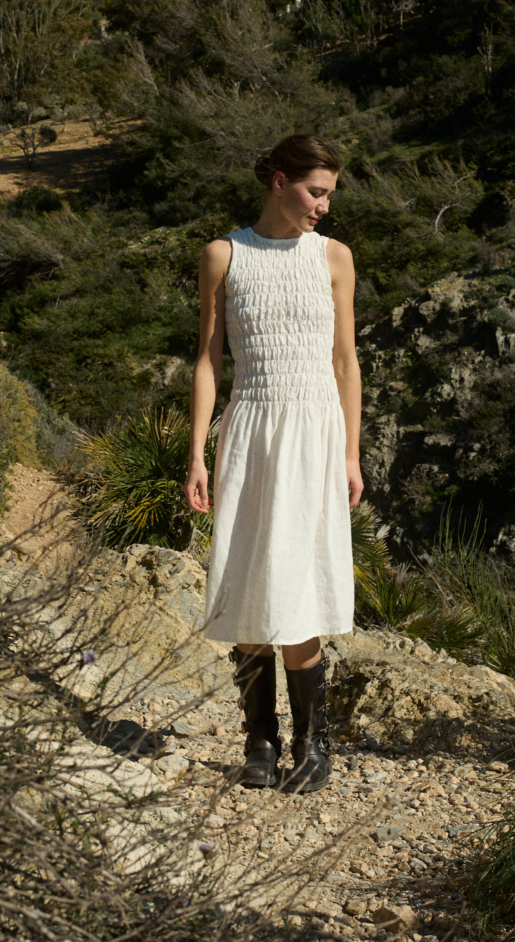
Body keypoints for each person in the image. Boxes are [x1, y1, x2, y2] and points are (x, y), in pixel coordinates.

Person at [185, 133, 363, 793]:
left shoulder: (335, 258)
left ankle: (311, 744)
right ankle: (258, 740)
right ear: (279, 179)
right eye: (315, 191)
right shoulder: (223, 255)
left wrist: (349, 452)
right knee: (253, 579)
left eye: (328, 195)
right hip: (251, 427)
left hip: (314, 431)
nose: (322, 205)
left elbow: (346, 362)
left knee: (303, 583)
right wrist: (197, 452)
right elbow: (206, 359)